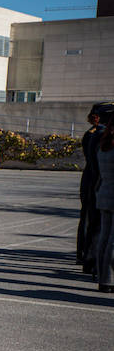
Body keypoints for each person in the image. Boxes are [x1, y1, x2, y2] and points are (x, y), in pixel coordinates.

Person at [77, 103, 107, 273]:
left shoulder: (97, 134)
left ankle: (87, 254)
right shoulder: (94, 135)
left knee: (92, 220)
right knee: (91, 220)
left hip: (92, 179)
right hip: (93, 180)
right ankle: (86, 254)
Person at [94, 106, 114, 294]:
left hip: (104, 194)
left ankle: (102, 277)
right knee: (111, 240)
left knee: (104, 237)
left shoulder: (104, 146)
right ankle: (108, 278)